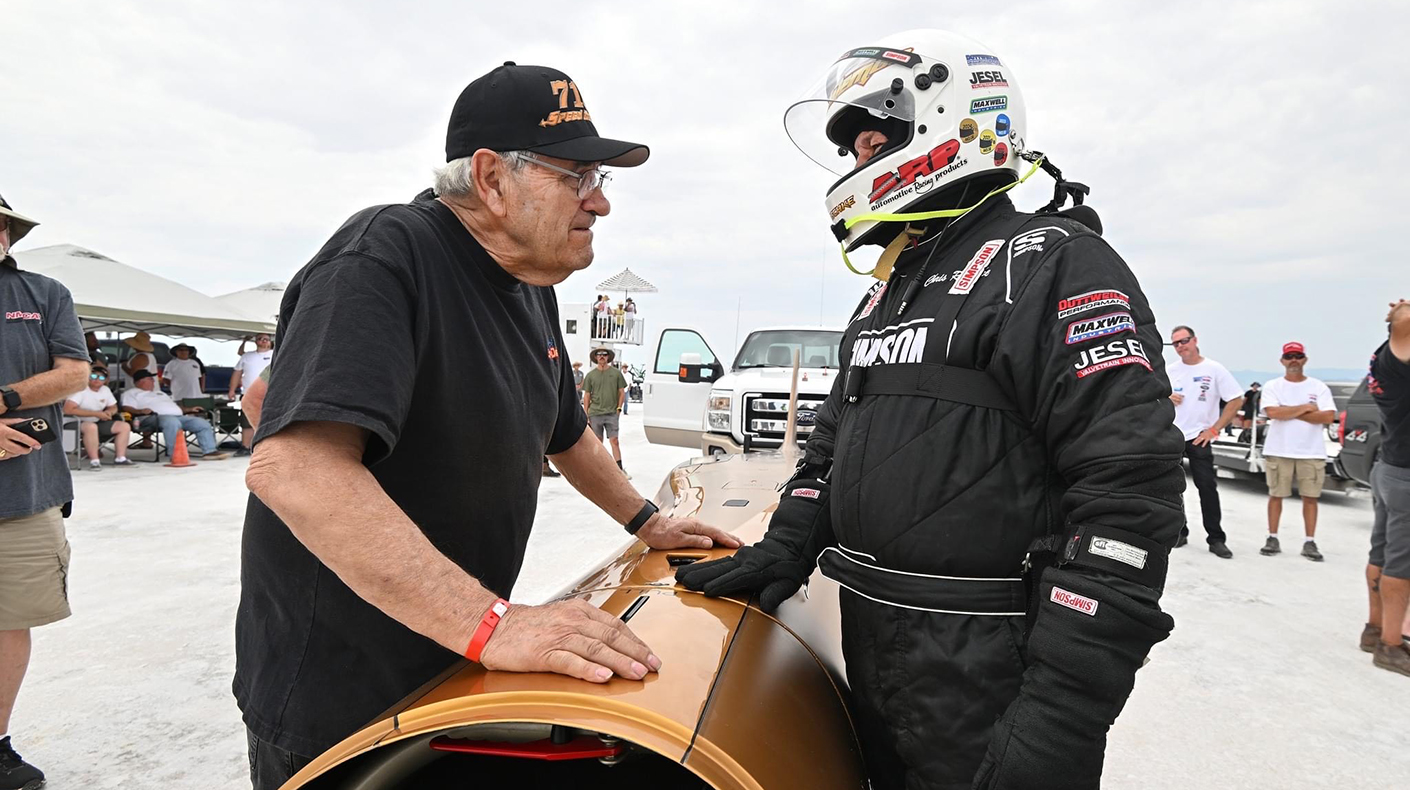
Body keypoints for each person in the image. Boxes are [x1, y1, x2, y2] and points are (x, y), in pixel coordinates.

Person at [677, 31, 1184, 789]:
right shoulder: (889, 288)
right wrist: (784, 547)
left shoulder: (1048, 261)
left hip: (995, 662)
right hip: (879, 644)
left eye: (872, 136)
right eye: (851, 148)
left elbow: (1129, 502)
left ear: (950, 121)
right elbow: (831, 447)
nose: (858, 160)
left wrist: (1060, 719)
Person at [233, 62, 738, 790]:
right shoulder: (381, 256)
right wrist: (495, 624)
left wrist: (647, 520)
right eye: (579, 177)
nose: (599, 203)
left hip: (451, 660)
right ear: (493, 179)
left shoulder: (530, 288)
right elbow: (295, 469)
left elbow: (566, 434)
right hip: (341, 688)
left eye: (601, 181)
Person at [0, 192, 90, 790]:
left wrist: (6, 401)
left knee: (9, 620)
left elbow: (74, 372)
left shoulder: (43, 293)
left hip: (25, 493)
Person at [1167, 325, 1243, 557]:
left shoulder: (1213, 369)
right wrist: (1166, 396)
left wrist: (1214, 429)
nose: (1181, 346)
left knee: (1207, 488)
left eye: (1184, 340)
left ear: (1195, 340)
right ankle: (1180, 531)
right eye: (1176, 343)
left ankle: (1216, 538)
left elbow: (1236, 400)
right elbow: (1152, 396)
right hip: (1173, 437)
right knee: (1173, 489)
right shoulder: (1170, 370)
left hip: (1200, 438)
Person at [1365, 299, 1410, 675]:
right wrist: (1402, 311)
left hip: (1389, 468)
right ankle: (1391, 645)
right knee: (1402, 563)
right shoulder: (1395, 360)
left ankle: (1374, 627)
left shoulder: (1383, 360)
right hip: (1406, 475)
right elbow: (1405, 319)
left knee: (1380, 552)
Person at [1259, 342, 1336, 561]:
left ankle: (1309, 541)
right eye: (1289, 356)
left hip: (1311, 452)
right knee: (1276, 496)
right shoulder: (1273, 386)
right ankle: (1272, 537)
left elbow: (1328, 416)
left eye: (1298, 356)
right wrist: (1305, 408)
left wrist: (1288, 410)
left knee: (1310, 498)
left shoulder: (1318, 387)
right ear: (1282, 360)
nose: (1294, 360)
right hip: (1278, 450)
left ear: (1305, 359)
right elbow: (1272, 413)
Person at [120, 371, 228, 460]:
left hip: (177, 417)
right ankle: (175, 454)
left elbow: (173, 406)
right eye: (150, 379)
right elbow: (126, 408)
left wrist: (189, 409)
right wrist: (140, 411)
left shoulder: (160, 393)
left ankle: (209, 451)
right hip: (151, 418)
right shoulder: (131, 393)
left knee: (202, 423)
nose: (154, 381)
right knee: (172, 422)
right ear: (140, 381)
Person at [63, 364, 132, 469]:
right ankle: (94, 461)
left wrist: (109, 412)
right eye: (93, 376)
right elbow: (68, 409)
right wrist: (96, 413)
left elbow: (114, 407)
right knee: (91, 427)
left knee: (124, 426)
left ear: (105, 380)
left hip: (97, 421)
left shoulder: (105, 390)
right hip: (74, 422)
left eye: (101, 377)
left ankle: (120, 458)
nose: (97, 380)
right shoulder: (80, 389)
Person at [581, 347, 628, 477]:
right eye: (599, 354)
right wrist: (586, 413)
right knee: (597, 442)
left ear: (608, 357)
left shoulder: (616, 373)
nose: (601, 356)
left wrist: (619, 409)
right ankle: (596, 470)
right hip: (595, 413)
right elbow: (587, 396)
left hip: (612, 413)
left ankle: (619, 469)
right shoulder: (591, 375)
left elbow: (621, 392)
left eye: (604, 354)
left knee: (614, 441)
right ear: (595, 358)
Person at [228, 333, 274, 457]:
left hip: (272, 394)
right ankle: (245, 446)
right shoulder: (247, 356)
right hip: (248, 394)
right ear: (256, 341)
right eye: (260, 339)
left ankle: (268, 447)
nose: (263, 341)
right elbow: (237, 373)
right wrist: (232, 390)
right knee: (246, 421)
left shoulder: (275, 354)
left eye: (266, 339)